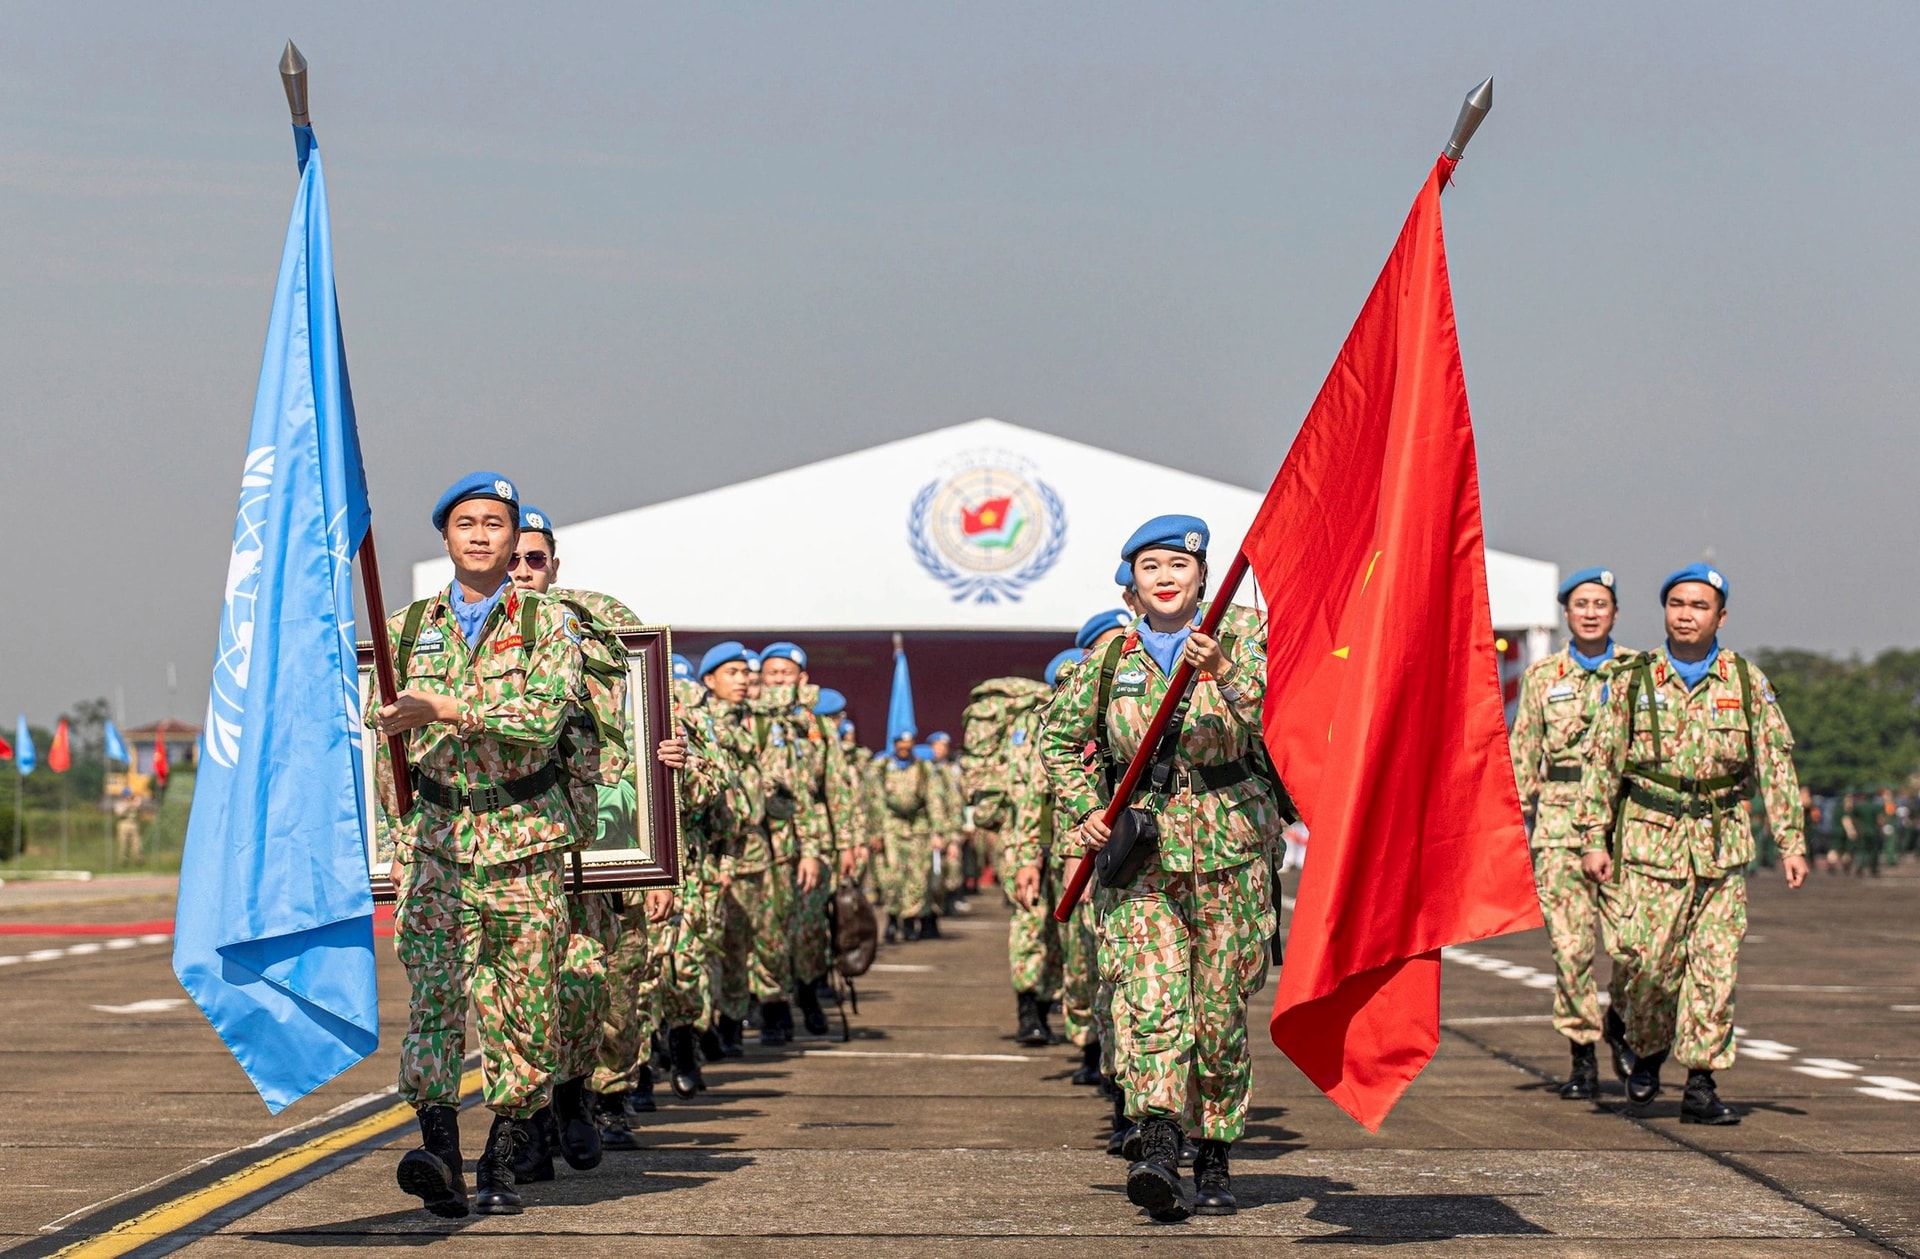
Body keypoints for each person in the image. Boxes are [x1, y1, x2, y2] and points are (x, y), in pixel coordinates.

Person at [1042, 515, 1282, 1221]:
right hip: (1141, 856)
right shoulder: (1111, 658)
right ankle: (1157, 1141)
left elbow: (1279, 718)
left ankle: (1214, 1149)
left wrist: (1225, 673)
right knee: (1149, 1000)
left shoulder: (1243, 640)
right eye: (1151, 567)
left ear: (1203, 576)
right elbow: (1058, 738)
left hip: (1230, 849)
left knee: (1216, 1012)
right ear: (1133, 584)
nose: (1167, 578)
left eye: (1179, 565)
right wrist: (1086, 807)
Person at [370, 472, 583, 1218]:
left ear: (514, 534)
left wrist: (447, 707)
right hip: (435, 840)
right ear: (446, 537)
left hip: (520, 843)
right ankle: (437, 1149)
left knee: (522, 1007)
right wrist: (396, 835)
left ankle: (500, 1156)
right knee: (432, 999)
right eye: (467, 523)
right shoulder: (405, 626)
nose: (482, 535)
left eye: (496, 523)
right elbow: (385, 739)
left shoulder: (549, 623)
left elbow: (542, 717)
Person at [1575, 563, 1810, 1124]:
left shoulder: (1747, 683)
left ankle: (1702, 1082)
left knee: (1716, 967)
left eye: (1699, 606)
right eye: (1677, 604)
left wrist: (1792, 842)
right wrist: (1592, 839)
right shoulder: (1633, 679)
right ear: (1664, 611)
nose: (1686, 614)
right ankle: (1647, 1049)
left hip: (1721, 845)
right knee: (1648, 964)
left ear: (1720, 616)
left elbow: (1775, 766)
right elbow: (1603, 765)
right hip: (1650, 845)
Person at [502, 506, 685, 1162]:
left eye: (534, 559)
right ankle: (527, 1119)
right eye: (512, 558)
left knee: (594, 985)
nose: (521, 570)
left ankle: (585, 1093)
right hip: (507, 853)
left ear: (553, 565)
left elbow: (630, 740)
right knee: (514, 990)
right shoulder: (464, 638)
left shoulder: (595, 638)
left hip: (593, 854)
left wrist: (662, 764)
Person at [1508, 567, 1634, 1099]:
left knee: (1634, 946)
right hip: (1559, 826)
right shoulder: (1542, 677)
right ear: (1566, 613)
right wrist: (1511, 824)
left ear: (1614, 613)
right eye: (1580, 603)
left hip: (1626, 828)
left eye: (1600, 603)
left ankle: (1623, 1025)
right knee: (1572, 949)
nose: (1589, 612)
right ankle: (1582, 1055)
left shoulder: (1637, 673)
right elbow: (1524, 753)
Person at [759, 642, 849, 1037]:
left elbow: (838, 788)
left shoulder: (818, 725)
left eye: (786, 673)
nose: (779, 679)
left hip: (812, 838)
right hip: (763, 841)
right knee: (769, 928)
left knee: (811, 926)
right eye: (771, 673)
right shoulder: (750, 720)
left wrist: (847, 844)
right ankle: (773, 1010)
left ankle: (810, 997)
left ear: (802, 679)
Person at [867, 725, 953, 942]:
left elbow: (934, 800)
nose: (904, 750)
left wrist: (938, 832)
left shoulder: (923, 768)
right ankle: (892, 918)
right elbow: (874, 801)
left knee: (917, 878)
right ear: (894, 745)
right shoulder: (882, 767)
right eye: (900, 746)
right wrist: (875, 833)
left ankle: (910, 920)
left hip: (918, 828)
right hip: (891, 828)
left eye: (908, 746)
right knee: (891, 876)